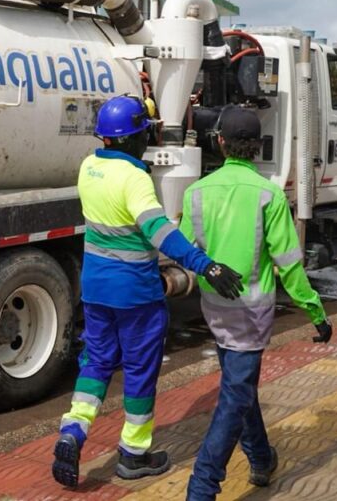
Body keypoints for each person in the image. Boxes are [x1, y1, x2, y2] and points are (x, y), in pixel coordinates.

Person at [52, 95, 243, 489]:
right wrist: (205, 264)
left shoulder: (89, 167)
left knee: (97, 362)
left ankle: (72, 430)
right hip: (136, 294)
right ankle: (134, 455)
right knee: (140, 371)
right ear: (134, 137)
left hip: (96, 289)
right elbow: (159, 233)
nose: (148, 141)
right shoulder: (134, 179)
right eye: (145, 133)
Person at [180, 106, 332, 501]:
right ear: (258, 147)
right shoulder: (269, 195)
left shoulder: (195, 193)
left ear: (220, 143)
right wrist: (316, 312)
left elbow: (183, 252)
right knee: (235, 397)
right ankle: (202, 486)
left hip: (214, 311)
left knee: (239, 389)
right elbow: (289, 266)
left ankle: (262, 460)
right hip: (252, 316)